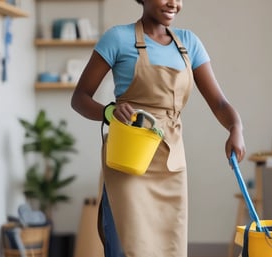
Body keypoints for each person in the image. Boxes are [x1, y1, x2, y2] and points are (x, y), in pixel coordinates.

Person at [71, 0, 246, 256]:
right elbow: (80, 98)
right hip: (128, 161)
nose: (174, 3)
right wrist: (109, 112)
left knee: (170, 248)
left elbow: (219, 102)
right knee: (127, 247)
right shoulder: (118, 38)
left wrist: (235, 128)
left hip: (171, 164)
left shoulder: (189, 43)